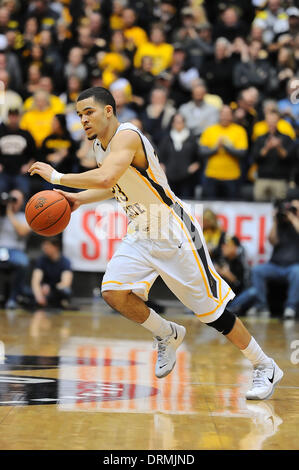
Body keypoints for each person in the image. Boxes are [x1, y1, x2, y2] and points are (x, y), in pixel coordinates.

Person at [28, 86, 283, 401]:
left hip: (172, 228)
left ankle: (265, 365)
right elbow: (113, 185)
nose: (83, 119)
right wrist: (79, 200)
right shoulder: (98, 145)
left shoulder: (128, 135)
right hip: (140, 229)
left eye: (89, 112)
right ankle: (167, 333)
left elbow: (106, 177)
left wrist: (58, 176)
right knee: (112, 291)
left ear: (109, 110)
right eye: (79, 114)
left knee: (212, 314)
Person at [0, 189, 31, 309]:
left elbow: (22, 231)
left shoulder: (25, 217)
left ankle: (13, 298)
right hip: (0, 249)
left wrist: (9, 212)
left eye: (15, 200)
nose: (12, 202)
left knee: (23, 263)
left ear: (21, 202)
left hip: (15, 250)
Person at [31, 237, 73, 309]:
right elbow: (35, 281)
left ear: (56, 247)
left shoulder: (65, 262)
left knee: (66, 291)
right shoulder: (41, 260)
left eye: (47, 246)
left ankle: (62, 303)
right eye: (44, 246)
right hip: (43, 291)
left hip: (55, 290)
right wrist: (39, 297)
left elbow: (66, 283)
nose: (45, 248)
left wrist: (51, 288)